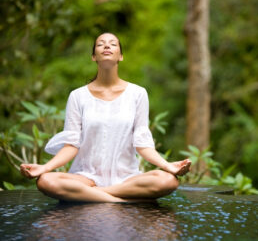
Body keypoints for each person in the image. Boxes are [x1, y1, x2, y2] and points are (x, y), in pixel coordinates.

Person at [20, 32, 191, 203]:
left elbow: (142, 143)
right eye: (101, 44)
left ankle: (95, 194)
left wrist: (168, 166)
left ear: (121, 56)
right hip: (85, 177)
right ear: (94, 56)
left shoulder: (138, 94)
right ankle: (121, 201)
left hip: (126, 179)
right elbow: (71, 144)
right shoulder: (77, 96)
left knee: (168, 180)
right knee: (46, 181)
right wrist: (45, 167)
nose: (107, 46)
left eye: (113, 44)